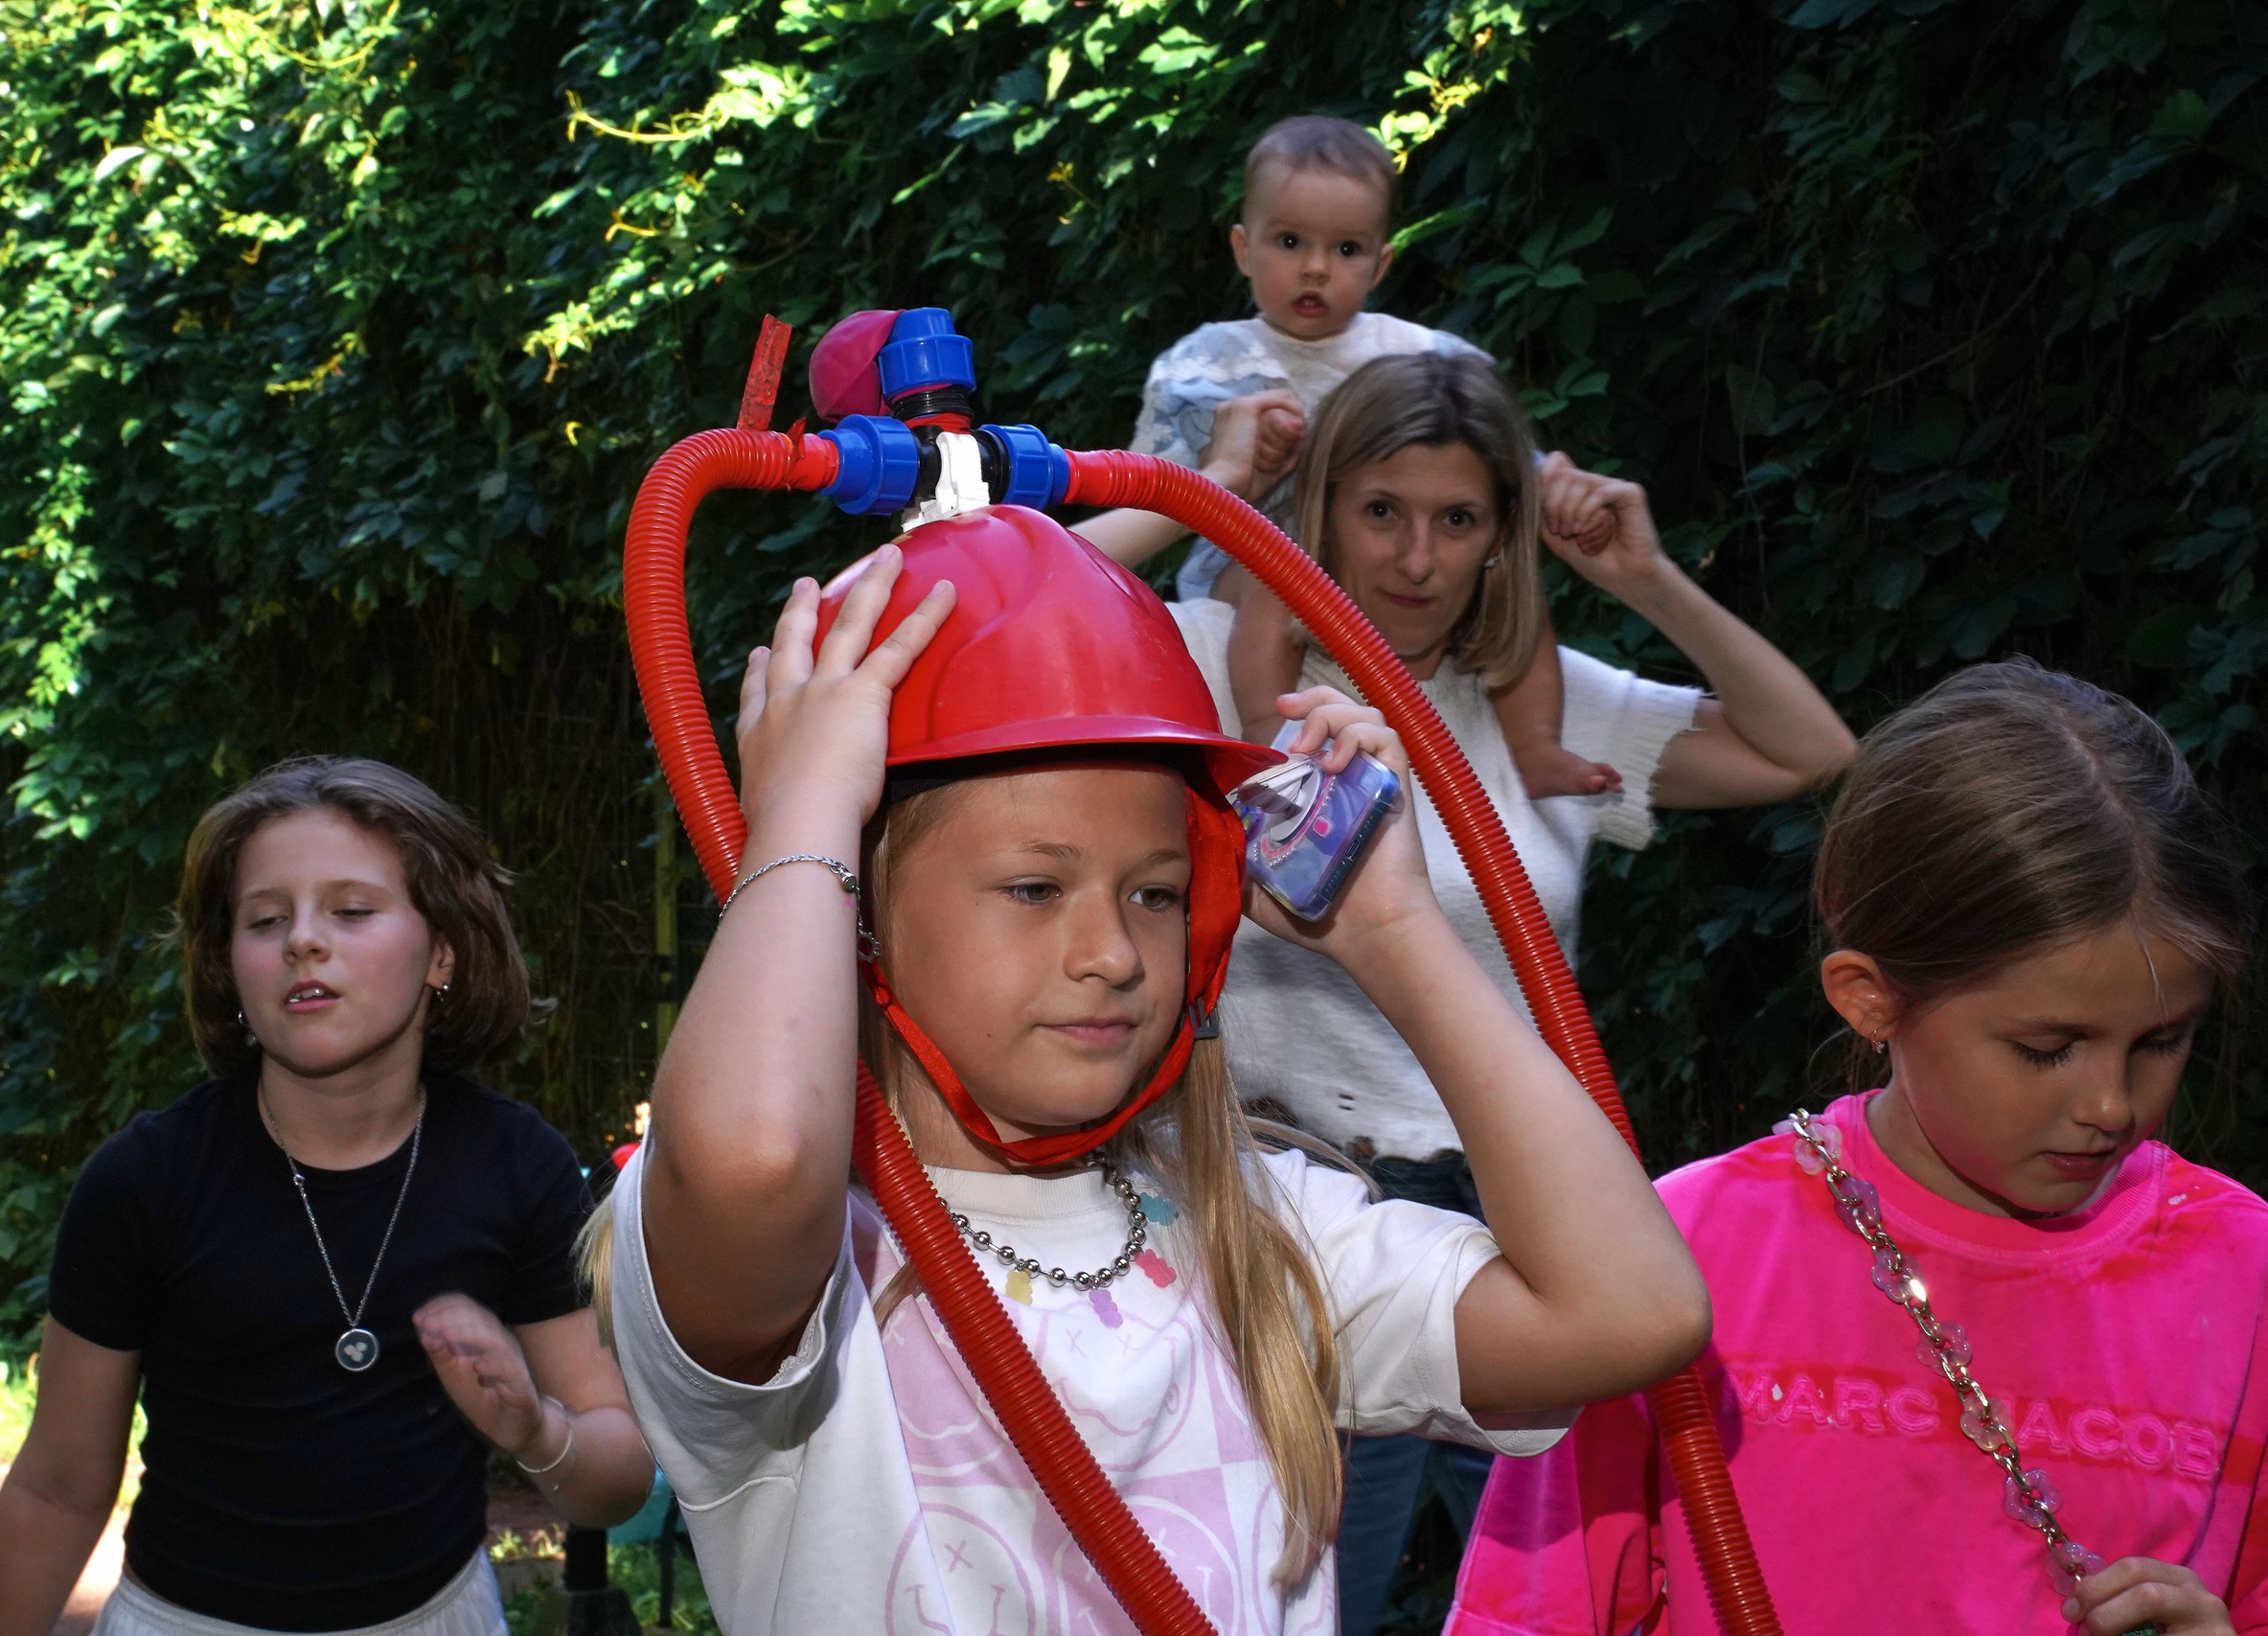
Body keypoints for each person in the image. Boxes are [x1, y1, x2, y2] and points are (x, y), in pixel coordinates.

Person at [585, 516, 1712, 1633]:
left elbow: (1629, 1313)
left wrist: (1399, 936)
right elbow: (754, 1155)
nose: (1114, 956)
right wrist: (805, 815)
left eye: (1157, 893)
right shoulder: (814, 1248)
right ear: (857, 910)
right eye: (1034, 889)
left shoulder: (1256, 1227)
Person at [1158, 348, 1857, 1635]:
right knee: (1310, 1594)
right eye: (1381, 511)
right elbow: (998, 604)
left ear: (1502, 537)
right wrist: (1197, 490)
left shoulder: (1530, 699)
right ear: (1321, 510)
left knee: (1568, 1596)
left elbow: (1809, 750)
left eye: (1459, 519)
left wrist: (1642, 578)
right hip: (1294, 1209)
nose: (1417, 557)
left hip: (1532, 1221)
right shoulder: (1210, 656)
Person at [1449, 658, 2267, 1635]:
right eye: (2046, 1049)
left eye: (2160, 1041)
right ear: (1870, 997)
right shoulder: (1677, 1250)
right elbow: (1531, 1613)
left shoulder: (2242, 1271)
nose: (2108, 1104)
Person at [0, 758, 653, 1636]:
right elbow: (57, 1485)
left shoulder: (517, 1164)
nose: (302, 939)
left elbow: (619, 1472)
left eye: (352, 909)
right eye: (264, 919)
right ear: (229, 964)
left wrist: (536, 1429)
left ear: (442, 949)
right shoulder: (145, 1180)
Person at [1072, 113, 1616, 800]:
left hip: (1379, 565)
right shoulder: (1205, 365)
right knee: (1280, 568)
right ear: (1244, 248)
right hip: (1247, 571)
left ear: (1381, 263)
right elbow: (1152, 491)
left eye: (1347, 248)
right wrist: (1224, 469)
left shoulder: (1424, 355)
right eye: (1290, 241)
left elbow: (1506, 472)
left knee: (1511, 577)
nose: (1316, 268)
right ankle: (1273, 734)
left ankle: (1536, 747)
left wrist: (1565, 492)